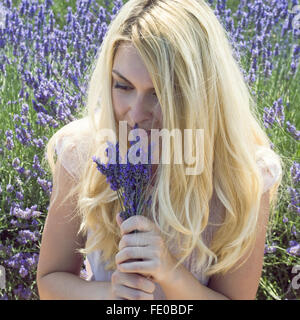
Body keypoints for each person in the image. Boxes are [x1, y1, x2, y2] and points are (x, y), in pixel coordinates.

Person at [36, 0, 283, 300]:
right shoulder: (85, 151)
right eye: (123, 86)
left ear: (198, 95)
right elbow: (50, 282)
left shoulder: (243, 175)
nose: (136, 113)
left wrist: (170, 274)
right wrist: (111, 294)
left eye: (158, 94)